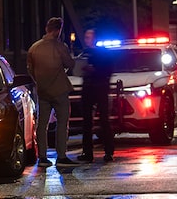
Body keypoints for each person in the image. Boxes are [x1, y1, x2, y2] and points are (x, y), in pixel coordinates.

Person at [27, 17, 75, 167]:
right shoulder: (60, 47)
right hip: (59, 89)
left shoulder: (34, 48)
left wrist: (39, 81)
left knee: (42, 124)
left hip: (43, 91)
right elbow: (69, 64)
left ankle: (42, 156)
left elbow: (30, 70)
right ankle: (61, 155)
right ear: (58, 30)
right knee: (62, 123)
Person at [79, 29, 116, 162]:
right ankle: (87, 152)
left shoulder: (104, 53)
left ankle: (109, 151)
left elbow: (108, 70)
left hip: (100, 88)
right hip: (87, 89)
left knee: (104, 120)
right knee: (87, 122)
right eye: (86, 36)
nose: (87, 39)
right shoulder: (84, 53)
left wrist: (95, 70)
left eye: (89, 36)